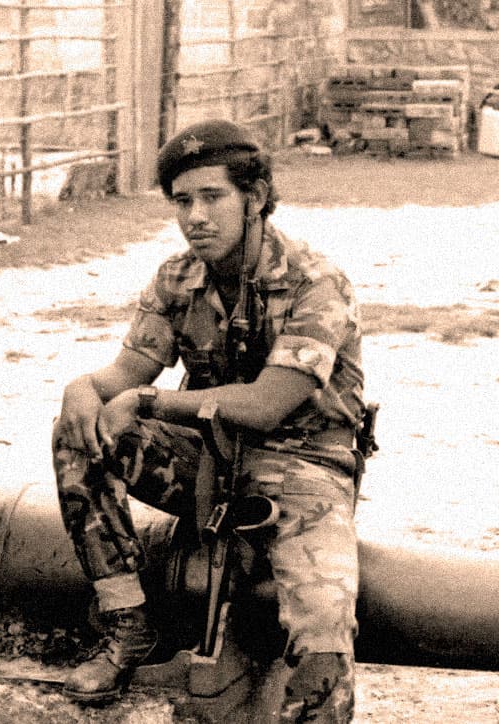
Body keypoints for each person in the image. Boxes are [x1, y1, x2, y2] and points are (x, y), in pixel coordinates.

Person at [50, 119, 366, 721]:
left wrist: (150, 402)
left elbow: (268, 402)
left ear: (257, 197)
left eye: (212, 196)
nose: (195, 216)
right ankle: (127, 623)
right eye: (182, 201)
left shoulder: (316, 282)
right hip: (210, 462)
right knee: (81, 436)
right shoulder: (177, 279)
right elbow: (125, 373)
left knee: (323, 631)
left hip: (304, 469)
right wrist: (82, 391)